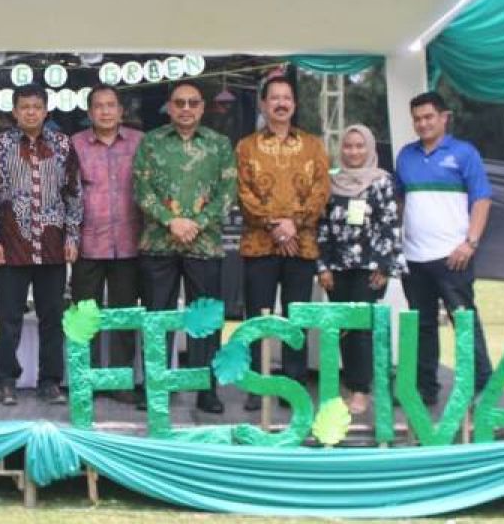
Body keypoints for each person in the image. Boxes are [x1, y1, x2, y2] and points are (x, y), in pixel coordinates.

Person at [133, 80, 236, 415]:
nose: (187, 109)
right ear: (170, 106)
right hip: (159, 244)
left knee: (204, 322)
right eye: (180, 103)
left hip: (204, 246)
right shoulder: (151, 143)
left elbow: (228, 192)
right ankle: (155, 389)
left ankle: (207, 390)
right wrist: (171, 221)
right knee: (157, 320)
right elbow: (140, 188)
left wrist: (198, 223)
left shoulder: (220, 145)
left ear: (203, 107)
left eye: (193, 102)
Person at [0, 84, 83, 406]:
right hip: (12, 247)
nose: (31, 112)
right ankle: (5, 380)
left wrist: (72, 236)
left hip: (52, 247)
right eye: (25, 107)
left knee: (53, 316)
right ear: (14, 111)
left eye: (37, 107)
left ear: (46, 110)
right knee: (8, 316)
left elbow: (74, 194)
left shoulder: (63, 145)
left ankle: (50, 381)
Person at [236, 74, 329, 411]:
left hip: (301, 247)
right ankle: (256, 385)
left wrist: (294, 225)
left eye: (286, 98)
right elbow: (243, 193)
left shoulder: (313, 145)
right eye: (273, 97)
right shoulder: (246, 146)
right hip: (259, 245)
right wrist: (277, 228)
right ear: (263, 104)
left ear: (295, 104)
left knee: (295, 316)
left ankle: (293, 385)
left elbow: (321, 192)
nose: (280, 103)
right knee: (258, 317)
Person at [395, 91, 493, 404]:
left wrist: (470, 243)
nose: (422, 124)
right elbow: (400, 202)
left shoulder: (465, 153)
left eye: (428, 117)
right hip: (414, 258)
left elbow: (482, 199)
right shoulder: (405, 155)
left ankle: (482, 388)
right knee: (422, 327)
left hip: (454, 257)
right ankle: (425, 389)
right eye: (417, 119)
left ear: (444, 117)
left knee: (464, 322)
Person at [316, 124, 403, 415]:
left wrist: (383, 264)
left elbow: (390, 224)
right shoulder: (332, 183)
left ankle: (361, 390)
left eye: (360, 146)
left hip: (369, 268)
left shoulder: (381, 182)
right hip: (337, 268)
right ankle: (350, 383)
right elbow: (323, 227)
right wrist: (323, 266)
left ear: (370, 148)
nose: (354, 152)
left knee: (361, 330)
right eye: (348, 146)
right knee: (342, 329)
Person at [70, 85, 144, 405]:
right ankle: (83, 378)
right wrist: (70, 238)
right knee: (85, 316)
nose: (105, 111)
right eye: (98, 106)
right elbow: (67, 195)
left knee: (123, 316)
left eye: (111, 105)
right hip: (88, 242)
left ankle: (120, 380)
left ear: (121, 111)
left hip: (129, 243)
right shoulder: (75, 145)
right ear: (89, 112)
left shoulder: (140, 143)